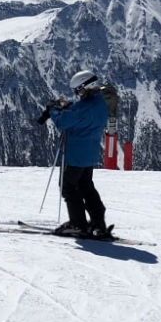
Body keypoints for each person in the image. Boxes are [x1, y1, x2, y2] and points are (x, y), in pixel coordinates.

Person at [39, 70, 111, 239]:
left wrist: (53, 110)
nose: (77, 94)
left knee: (68, 187)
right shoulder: (101, 102)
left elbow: (63, 123)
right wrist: (67, 105)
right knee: (86, 187)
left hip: (76, 155)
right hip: (90, 154)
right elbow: (80, 111)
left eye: (78, 90)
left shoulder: (84, 108)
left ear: (86, 87)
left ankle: (78, 224)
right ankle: (98, 223)